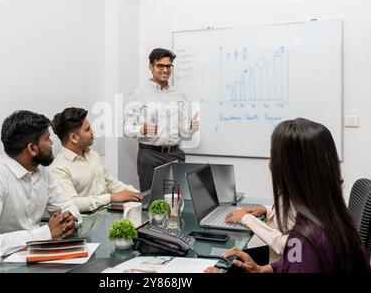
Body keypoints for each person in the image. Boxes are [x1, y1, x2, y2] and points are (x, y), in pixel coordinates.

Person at [206, 118, 370, 273]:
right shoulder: (330, 219)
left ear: (290, 171)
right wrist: (263, 269)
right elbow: (295, 258)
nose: (269, 163)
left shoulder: (307, 240)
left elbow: (301, 256)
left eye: (273, 156)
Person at [0, 110, 82, 261]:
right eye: (47, 139)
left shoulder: (42, 171)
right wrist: (46, 233)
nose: (52, 143)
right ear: (32, 148)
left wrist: (67, 221)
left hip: (32, 255)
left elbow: (68, 207)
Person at [124, 48, 200, 191]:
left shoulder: (180, 94)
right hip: (150, 155)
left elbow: (184, 132)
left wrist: (190, 126)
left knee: (177, 199)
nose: (165, 70)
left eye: (168, 66)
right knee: (150, 199)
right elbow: (126, 129)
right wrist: (142, 129)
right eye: (160, 66)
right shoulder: (139, 94)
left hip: (175, 154)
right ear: (151, 67)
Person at [50, 107, 141, 213]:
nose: (92, 132)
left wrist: (135, 193)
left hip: (108, 214)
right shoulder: (58, 168)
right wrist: (111, 198)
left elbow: (110, 183)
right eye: (88, 129)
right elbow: (72, 203)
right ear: (74, 137)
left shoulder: (93, 155)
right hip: (85, 224)